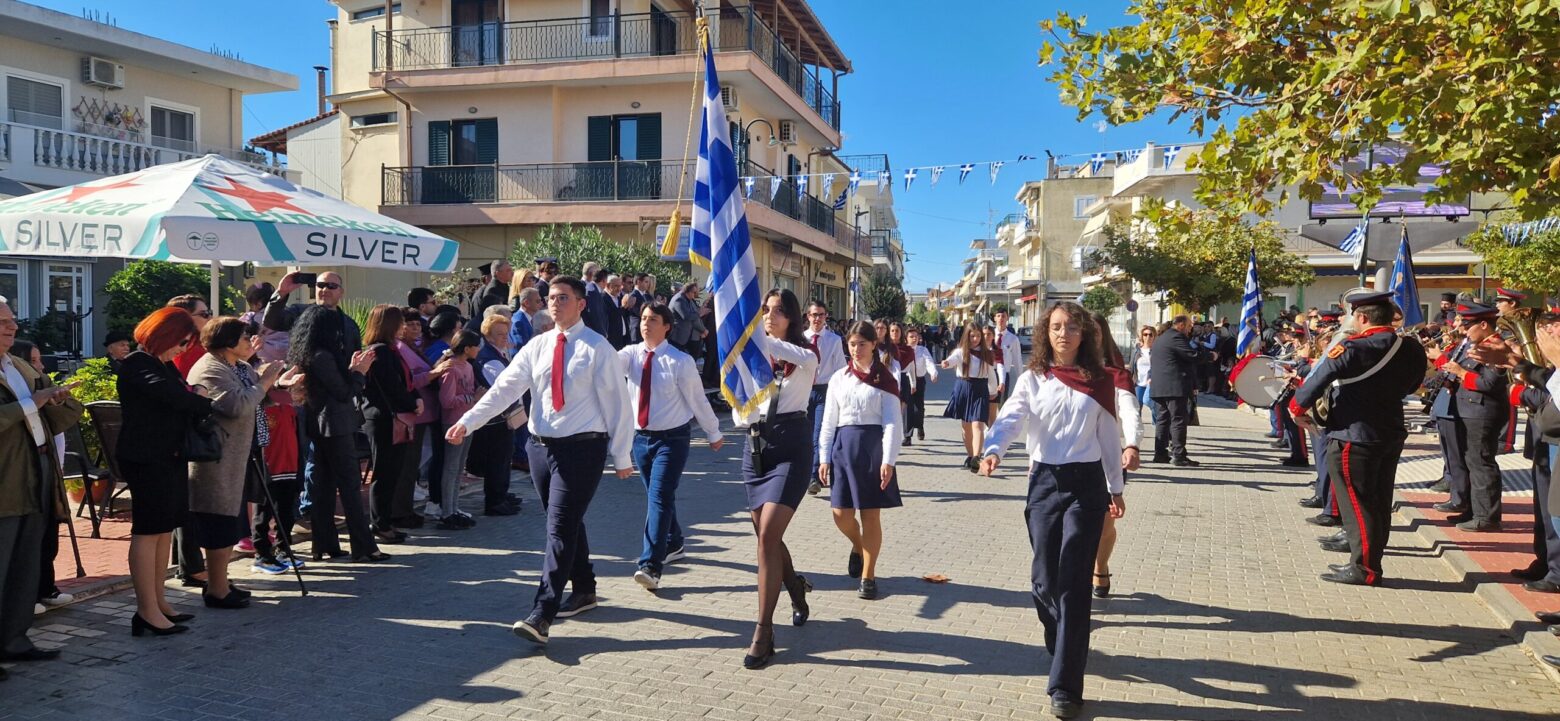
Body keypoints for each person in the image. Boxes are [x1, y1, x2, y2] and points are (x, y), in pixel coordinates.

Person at [447, 275, 634, 647]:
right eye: (551, 297)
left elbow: (619, 404)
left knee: (559, 526)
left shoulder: (598, 349)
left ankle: (542, 612)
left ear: (581, 304)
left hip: (582, 449)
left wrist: (622, 454)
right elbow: (505, 389)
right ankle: (584, 588)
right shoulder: (537, 346)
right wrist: (468, 422)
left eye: (563, 298)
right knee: (564, 520)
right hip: (540, 448)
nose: (554, 303)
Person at [979, 301, 1126, 719]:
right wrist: (993, 450)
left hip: (1086, 486)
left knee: (1073, 582)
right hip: (1043, 483)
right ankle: (1060, 636)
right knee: (1044, 577)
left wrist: (1115, 487)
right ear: (1046, 333)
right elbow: (1009, 419)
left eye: (1072, 327)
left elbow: (1108, 437)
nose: (1064, 334)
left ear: (1084, 335)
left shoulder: (1098, 382)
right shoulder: (1033, 379)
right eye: (1057, 327)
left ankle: (1066, 685)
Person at [1290, 291, 1427, 585]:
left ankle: (1365, 568)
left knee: (1357, 503)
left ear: (1362, 318)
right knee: (1378, 501)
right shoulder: (1412, 348)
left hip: (1354, 433)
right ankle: (1368, 560)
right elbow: (1413, 385)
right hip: (1390, 430)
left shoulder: (1353, 347)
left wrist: (1296, 408)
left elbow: (1318, 379)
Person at [730, 288, 820, 670]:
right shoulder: (752, 358)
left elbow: (791, 354)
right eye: (765, 311)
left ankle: (763, 633)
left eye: (779, 311)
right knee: (767, 536)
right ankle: (796, 589)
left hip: (791, 446)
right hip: (756, 449)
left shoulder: (805, 356)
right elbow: (736, 406)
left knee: (768, 535)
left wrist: (749, 338)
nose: (770, 316)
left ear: (793, 317)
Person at [117, 307, 211, 636]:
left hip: (167, 456)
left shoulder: (162, 363)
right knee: (148, 530)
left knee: (163, 530)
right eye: (183, 341)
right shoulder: (136, 364)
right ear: (165, 334)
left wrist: (194, 397)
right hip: (145, 457)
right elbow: (175, 397)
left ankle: (158, 602)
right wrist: (197, 398)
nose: (185, 348)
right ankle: (145, 610)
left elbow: (183, 397)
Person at [0, 298, 82, 669]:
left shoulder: (17, 365)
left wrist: (56, 400)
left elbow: (57, 416)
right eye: (1, 323)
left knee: (26, 564)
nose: (10, 328)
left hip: (38, 472)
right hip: (6, 480)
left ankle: (15, 639)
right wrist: (31, 403)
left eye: (12, 321)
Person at [620, 303, 724, 591]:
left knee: (659, 497)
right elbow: (605, 367)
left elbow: (697, 400)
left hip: (672, 439)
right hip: (641, 439)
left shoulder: (680, 361)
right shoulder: (630, 355)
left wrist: (713, 432)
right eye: (642, 319)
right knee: (658, 497)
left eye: (653, 319)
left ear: (667, 326)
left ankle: (650, 565)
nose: (645, 324)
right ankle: (674, 541)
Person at [186, 318, 286, 609]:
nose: (249, 343)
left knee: (231, 523)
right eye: (244, 337)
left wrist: (280, 383)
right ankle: (216, 588)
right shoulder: (209, 368)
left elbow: (256, 397)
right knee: (218, 524)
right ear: (228, 342)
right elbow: (237, 405)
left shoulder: (239, 366)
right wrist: (265, 381)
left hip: (240, 455)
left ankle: (222, 582)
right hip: (216, 460)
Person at [287, 305, 387, 564]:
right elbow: (344, 392)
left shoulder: (312, 354)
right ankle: (363, 547)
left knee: (323, 487)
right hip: (334, 425)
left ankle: (325, 544)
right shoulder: (322, 356)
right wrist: (359, 373)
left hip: (321, 425)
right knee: (350, 487)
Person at [818, 321, 902, 601]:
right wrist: (823, 457)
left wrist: (888, 460)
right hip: (843, 449)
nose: (856, 349)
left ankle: (869, 574)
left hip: (872, 451)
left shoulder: (885, 378)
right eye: (852, 344)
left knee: (870, 515)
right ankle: (857, 544)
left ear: (874, 345)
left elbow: (892, 423)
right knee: (840, 514)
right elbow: (828, 421)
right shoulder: (839, 378)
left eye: (862, 344)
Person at [1429, 302, 1510, 532]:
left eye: (1468, 324)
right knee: (1471, 462)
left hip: (1482, 412)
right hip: (1470, 410)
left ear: (1483, 324)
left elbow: (1490, 383)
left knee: (1481, 463)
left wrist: (1461, 372)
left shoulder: (1495, 346)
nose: (1464, 329)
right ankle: (1475, 511)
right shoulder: (1478, 344)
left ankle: (1487, 518)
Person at [359, 305, 422, 543]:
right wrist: (412, 402)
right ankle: (380, 523)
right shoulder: (381, 352)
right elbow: (391, 387)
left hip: (393, 416)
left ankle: (385, 521)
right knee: (384, 472)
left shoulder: (391, 350)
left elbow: (405, 382)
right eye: (400, 322)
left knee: (392, 471)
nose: (404, 326)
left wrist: (415, 397)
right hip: (383, 418)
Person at [1091, 313, 1141, 599]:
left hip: (1107, 458)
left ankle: (1101, 565)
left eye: (1094, 332)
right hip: (1072, 459)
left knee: (1105, 523)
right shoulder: (1063, 371)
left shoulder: (1116, 374)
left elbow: (1130, 412)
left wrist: (1132, 443)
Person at [469, 313, 521, 516]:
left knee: (503, 458)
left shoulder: (498, 353)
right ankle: (495, 500)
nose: (504, 338)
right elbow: (503, 387)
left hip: (502, 417)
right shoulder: (488, 358)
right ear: (488, 336)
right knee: (497, 460)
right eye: (499, 334)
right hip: (495, 420)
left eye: (506, 334)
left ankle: (501, 495)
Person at [433, 331, 482, 530]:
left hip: (467, 421)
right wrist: (471, 398)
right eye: (476, 346)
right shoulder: (451, 368)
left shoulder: (468, 367)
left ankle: (454, 508)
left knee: (459, 468)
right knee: (451, 467)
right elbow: (446, 401)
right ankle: (447, 512)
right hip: (453, 423)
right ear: (467, 347)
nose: (478, 350)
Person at [940, 321, 1000, 472]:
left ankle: (976, 457)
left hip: (980, 389)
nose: (976, 339)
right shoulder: (961, 351)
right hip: (963, 388)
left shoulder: (987, 353)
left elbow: (991, 374)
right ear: (967, 336)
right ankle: (970, 455)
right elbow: (953, 359)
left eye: (978, 336)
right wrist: (947, 363)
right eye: (972, 336)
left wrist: (993, 391)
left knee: (978, 424)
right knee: (966, 426)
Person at [1149, 315, 1205, 466]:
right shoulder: (1176, 337)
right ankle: (1179, 455)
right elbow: (1191, 355)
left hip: (1160, 387)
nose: (1190, 330)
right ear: (1180, 325)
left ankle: (1160, 454)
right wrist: (1210, 355)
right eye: (1188, 326)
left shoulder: (1161, 338)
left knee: (1163, 420)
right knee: (1178, 420)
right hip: (1174, 387)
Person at [803, 301, 847, 496]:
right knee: (805, 433)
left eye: (821, 315)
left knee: (818, 433)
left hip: (824, 391)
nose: (817, 319)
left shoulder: (834, 340)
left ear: (826, 316)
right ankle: (805, 472)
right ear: (808, 316)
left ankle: (814, 476)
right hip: (803, 390)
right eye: (814, 315)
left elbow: (840, 368)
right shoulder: (800, 338)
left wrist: (841, 394)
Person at [263, 271, 362, 354]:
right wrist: (282, 291)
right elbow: (271, 321)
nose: (325, 289)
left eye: (332, 286)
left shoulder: (350, 325)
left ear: (341, 292)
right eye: (321, 285)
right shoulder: (300, 312)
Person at [904, 326, 938, 443]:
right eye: (911, 337)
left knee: (918, 407)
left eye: (916, 337)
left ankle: (920, 426)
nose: (914, 339)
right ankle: (907, 435)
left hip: (919, 380)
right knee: (908, 408)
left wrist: (933, 373)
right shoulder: (903, 350)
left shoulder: (922, 350)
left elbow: (929, 362)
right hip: (906, 381)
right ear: (906, 338)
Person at [1126, 326, 1157, 427]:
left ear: (1154, 336)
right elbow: (1131, 367)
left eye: (1150, 334)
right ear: (1142, 336)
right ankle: (1136, 428)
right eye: (1145, 334)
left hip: (1152, 383)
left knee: (1152, 405)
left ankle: (1158, 425)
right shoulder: (1136, 351)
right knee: (1137, 407)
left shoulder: (1156, 351)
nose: (1148, 337)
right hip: (1138, 383)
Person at [993, 308, 1023, 401]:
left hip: (1004, 374)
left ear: (1007, 318)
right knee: (988, 405)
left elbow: (1017, 360)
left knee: (1002, 403)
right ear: (995, 318)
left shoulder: (1013, 339)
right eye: (998, 316)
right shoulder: (988, 335)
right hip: (989, 373)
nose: (1001, 319)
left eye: (1003, 316)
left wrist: (1021, 379)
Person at [669, 282, 705, 358]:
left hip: (685, 336)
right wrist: (699, 313)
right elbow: (686, 316)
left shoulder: (686, 299)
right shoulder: (679, 299)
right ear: (687, 291)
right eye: (693, 292)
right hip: (677, 336)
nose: (695, 295)